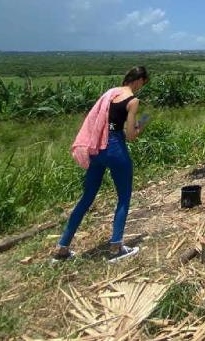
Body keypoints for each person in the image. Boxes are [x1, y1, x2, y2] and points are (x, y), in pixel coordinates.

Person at [53, 66, 149, 262]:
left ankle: (63, 248)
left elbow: (108, 126)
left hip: (97, 147)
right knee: (123, 197)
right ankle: (116, 247)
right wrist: (141, 126)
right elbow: (130, 136)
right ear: (139, 80)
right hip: (115, 149)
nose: (142, 87)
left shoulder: (110, 94)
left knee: (86, 198)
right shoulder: (133, 101)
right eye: (143, 83)